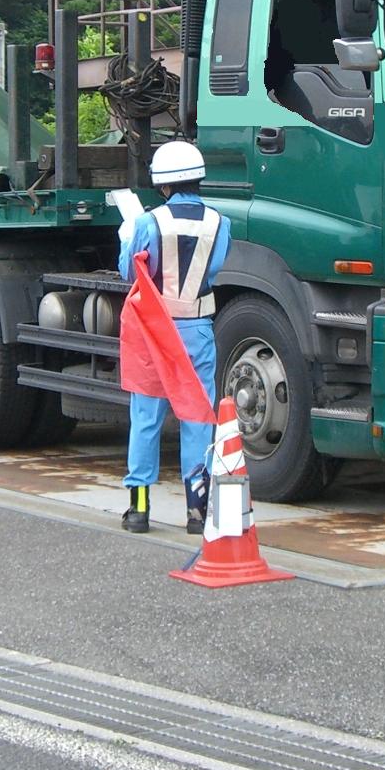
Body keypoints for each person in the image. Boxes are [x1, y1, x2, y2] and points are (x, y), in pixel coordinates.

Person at [117, 139, 231, 535]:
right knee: (198, 415)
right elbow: (214, 269)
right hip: (198, 327)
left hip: (155, 329)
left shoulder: (149, 222)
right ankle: (197, 512)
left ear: (162, 184)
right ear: (198, 178)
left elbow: (130, 273)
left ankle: (139, 510)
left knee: (146, 416)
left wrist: (125, 236)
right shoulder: (221, 223)